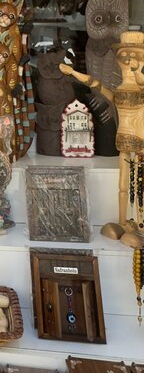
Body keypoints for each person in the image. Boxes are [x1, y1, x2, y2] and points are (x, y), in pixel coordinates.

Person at [61, 30, 144, 230]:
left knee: (139, 185)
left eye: (134, 55)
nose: (128, 60)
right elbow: (95, 84)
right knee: (123, 186)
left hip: (140, 140)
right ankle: (123, 222)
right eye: (125, 55)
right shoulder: (120, 91)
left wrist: (137, 70)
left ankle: (140, 225)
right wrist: (72, 73)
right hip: (123, 139)